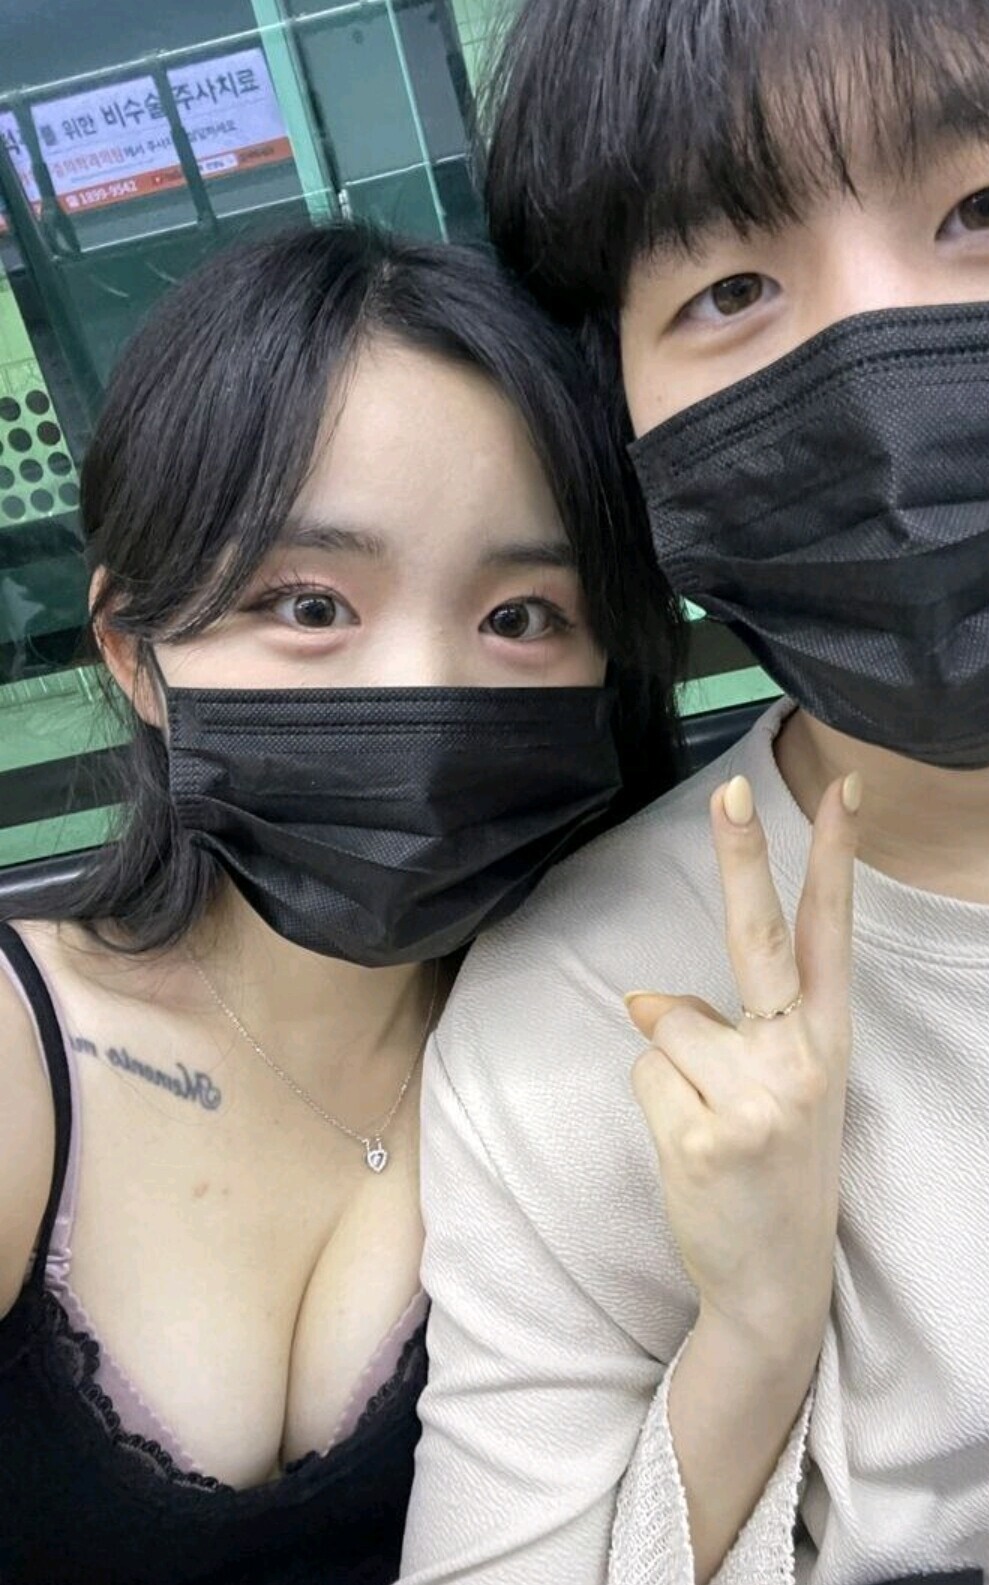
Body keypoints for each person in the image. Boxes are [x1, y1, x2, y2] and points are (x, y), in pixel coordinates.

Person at [402, 1, 989, 1581]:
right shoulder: (575, 1022)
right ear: (634, 439)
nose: (872, 363)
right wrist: (754, 1327)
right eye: (731, 290)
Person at [0, 223, 682, 1585]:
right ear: (135, 652)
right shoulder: (20, 1055)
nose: (424, 688)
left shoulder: (615, 1040)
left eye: (522, 616)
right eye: (311, 604)